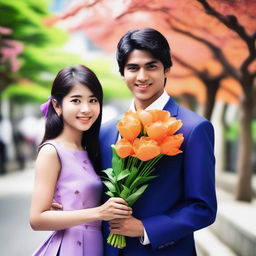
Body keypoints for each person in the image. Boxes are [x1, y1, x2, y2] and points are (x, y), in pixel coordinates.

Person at [99, 28, 217, 256]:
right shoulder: (105, 132)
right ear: (123, 73)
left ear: (167, 70)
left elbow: (203, 208)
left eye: (151, 66)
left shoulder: (194, 128)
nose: (142, 76)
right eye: (133, 68)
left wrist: (146, 229)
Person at [30, 65, 132, 256]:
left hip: (94, 246)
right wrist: (99, 213)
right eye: (76, 100)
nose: (86, 109)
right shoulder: (52, 151)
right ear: (57, 105)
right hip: (70, 247)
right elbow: (36, 219)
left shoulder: (91, 149)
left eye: (93, 100)